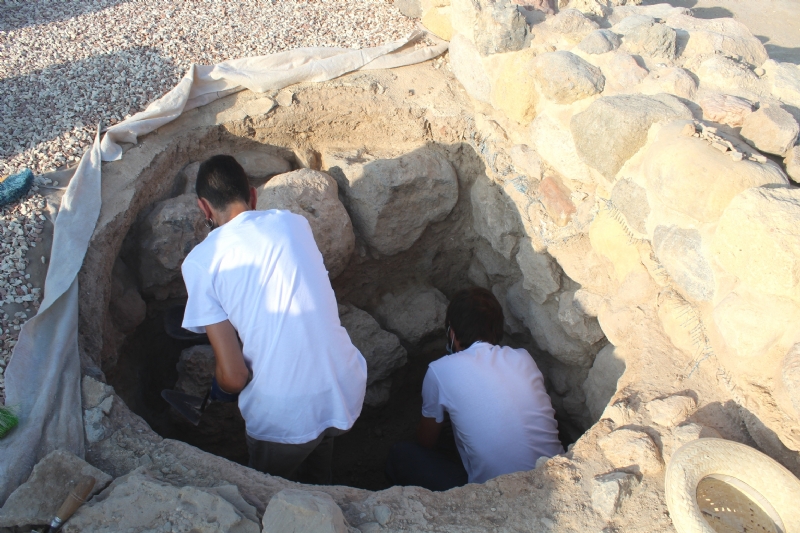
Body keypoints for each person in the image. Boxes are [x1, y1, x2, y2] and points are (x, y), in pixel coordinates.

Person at [180, 154, 367, 484]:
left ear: (204, 209)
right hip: (344, 387)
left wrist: (220, 389)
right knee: (317, 471)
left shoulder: (201, 262)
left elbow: (235, 376)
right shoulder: (293, 223)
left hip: (285, 417)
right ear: (252, 196)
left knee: (271, 491)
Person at [386, 287, 563, 491]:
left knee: (402, 454)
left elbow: (426, 441)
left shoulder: (439, 371)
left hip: (496, 495)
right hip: (554, 477)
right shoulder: (523, 357)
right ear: (497, 328)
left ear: (451, 332)